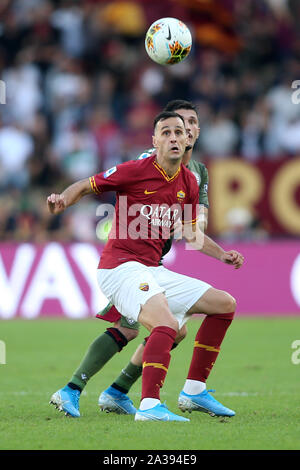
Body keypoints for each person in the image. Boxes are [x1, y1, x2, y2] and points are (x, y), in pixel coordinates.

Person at [48, 110, 244, 422]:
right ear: (154, 141)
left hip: (152, 268)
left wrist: (222, 255)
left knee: (222, 306)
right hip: (121, 266)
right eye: (166, 133)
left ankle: (189, 391)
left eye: (179, 132)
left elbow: (192, 233)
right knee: (162, 326)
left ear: (188, 139)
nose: (174, 138)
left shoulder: (189, 182)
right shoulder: (136, 170)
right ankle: (150, 406)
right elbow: (87, 185)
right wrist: (63, 200)